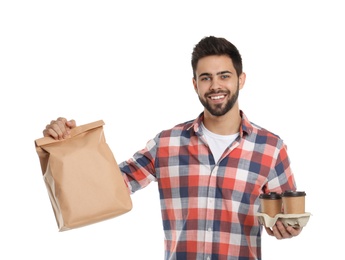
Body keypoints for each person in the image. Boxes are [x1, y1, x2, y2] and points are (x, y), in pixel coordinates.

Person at [43, 36, 302, 260]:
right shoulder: (167, 144)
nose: (215, 86)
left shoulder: (270, 147)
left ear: (241, 79)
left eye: (224, 76)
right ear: (195, 84)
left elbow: (286, 215)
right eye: (206, 78)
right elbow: (111, 185)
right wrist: (67, 143)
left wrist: (288, 229)